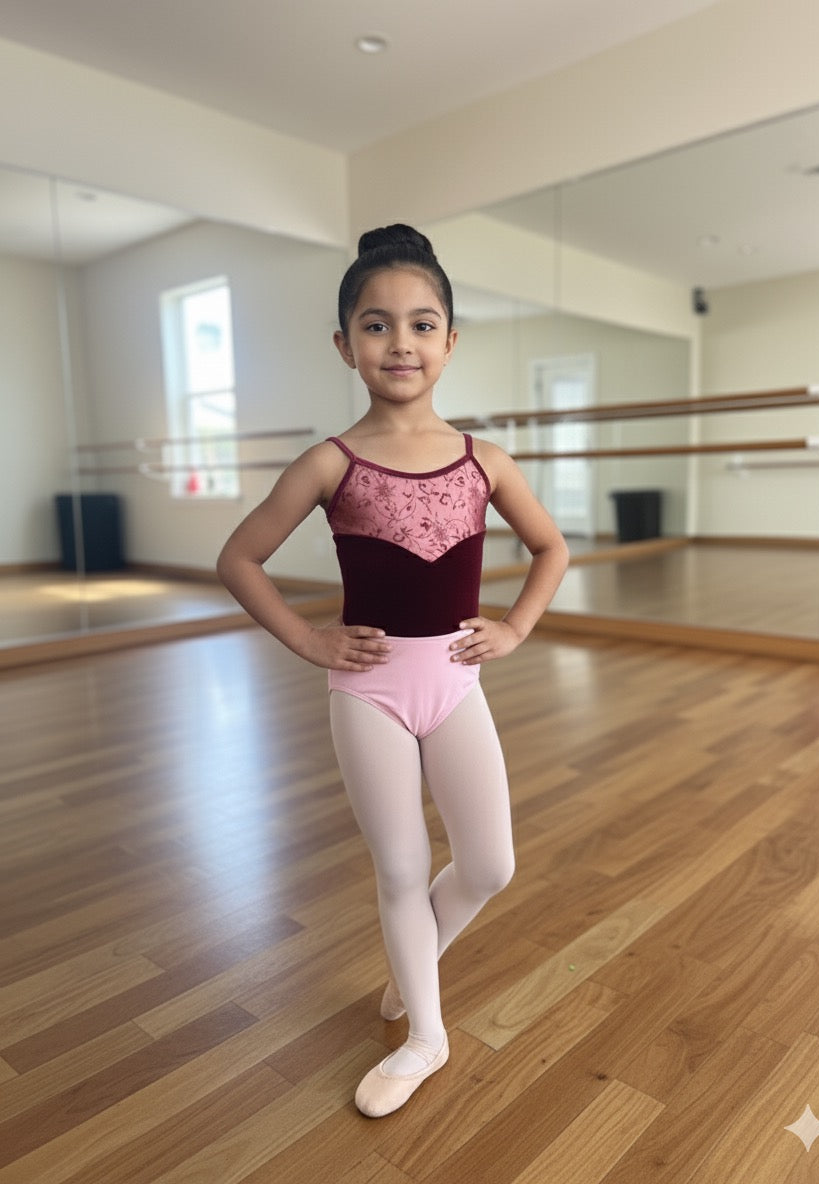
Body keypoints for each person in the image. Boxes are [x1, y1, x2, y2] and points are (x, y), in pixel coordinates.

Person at [217, 224, 570, 1118]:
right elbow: (240, 558)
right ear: (345, 345)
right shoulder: (331, 461)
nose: (400, 343)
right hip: (368, 689)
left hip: (456, 681)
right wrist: (308, 640)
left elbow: (550, 546)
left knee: (489, 865)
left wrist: (518, 626)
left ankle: (416, 976)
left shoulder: (483, 460)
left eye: (421, 324)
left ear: (451, 341)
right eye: (376, 326)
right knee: (402, 867)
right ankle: (426, 1035)